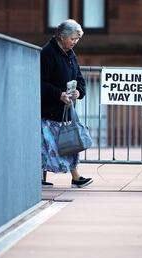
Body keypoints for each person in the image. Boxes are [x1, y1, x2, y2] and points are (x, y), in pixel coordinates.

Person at [40, 19, 93, 188]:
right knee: (46, 145)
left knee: (69, 141)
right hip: (49, 109)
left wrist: (80, 92)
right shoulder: (47, 53)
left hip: (65, 108)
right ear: (62, 37)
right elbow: (40, 82)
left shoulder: (70, 54)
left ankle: (75, 177)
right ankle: (42, 177)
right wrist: (59, 94)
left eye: (77, 39)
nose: (75, 43)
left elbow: (79, 78)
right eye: (73, 39)